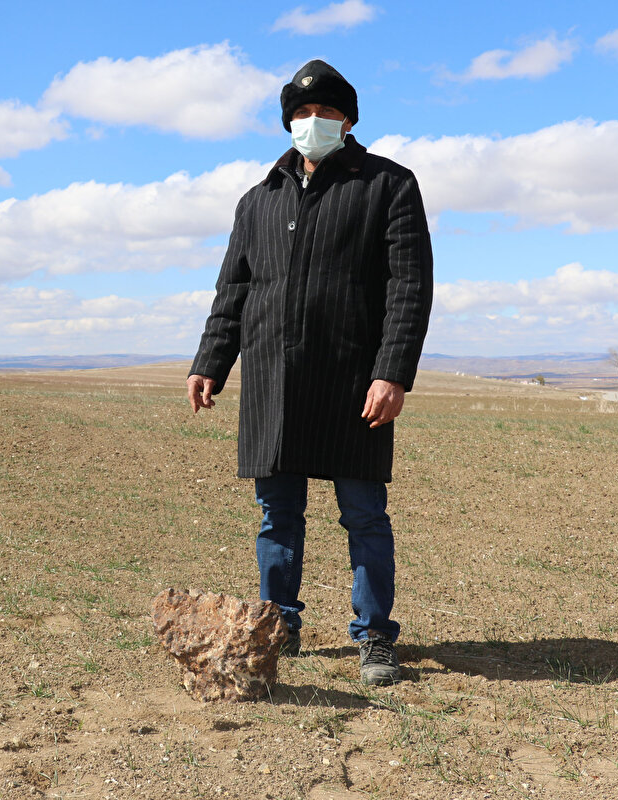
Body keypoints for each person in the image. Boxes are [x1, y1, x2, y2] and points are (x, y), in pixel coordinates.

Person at [186, 59, 433, 686]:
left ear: (348, 120)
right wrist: (210, 362)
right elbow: (233, 290)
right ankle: (278, 625)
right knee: (277, 516)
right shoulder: (258, 199)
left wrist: (392, 372)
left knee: (364, 514)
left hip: (354, 381)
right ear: (287, 121)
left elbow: (409, 287)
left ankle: (374, 637)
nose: (312, 121)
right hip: (274, 381)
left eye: (326, 112)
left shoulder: (388, 185)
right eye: (301, 112)